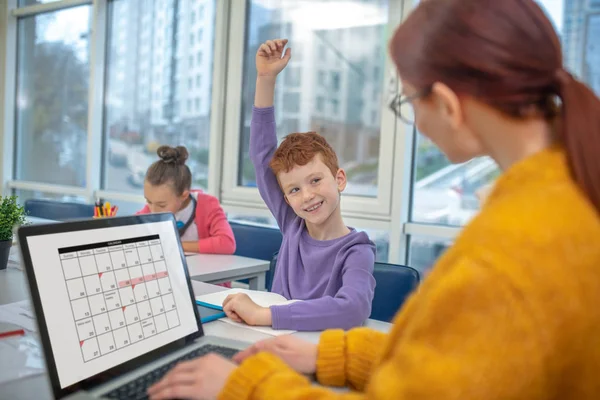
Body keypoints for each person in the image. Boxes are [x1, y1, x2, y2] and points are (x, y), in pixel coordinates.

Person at [147, 0, 600, 399]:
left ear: (445, 103)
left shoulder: (511, 249)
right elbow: (458, 361)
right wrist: (336, 354)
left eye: (407, 102)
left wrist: (245, 387)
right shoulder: (562, 201)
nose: (417, 122)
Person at [220, 38, 376, 332]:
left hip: (316, 356)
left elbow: (353, 308)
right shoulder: (293, 224)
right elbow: (261, 155)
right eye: (294, 190)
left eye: (315, 180)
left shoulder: (358, 250)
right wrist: (266, 79)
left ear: (339, 179)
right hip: (273, 344)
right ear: (286, 199)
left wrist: (265, 315)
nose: (307, 196)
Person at [137, 145, 236, 255]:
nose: (153, 211)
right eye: (149, 201)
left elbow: (227, 244)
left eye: (162, 205)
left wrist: (175, 245)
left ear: (184, 196)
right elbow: (131, 230)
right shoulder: (152, 206)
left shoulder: (208, 205)